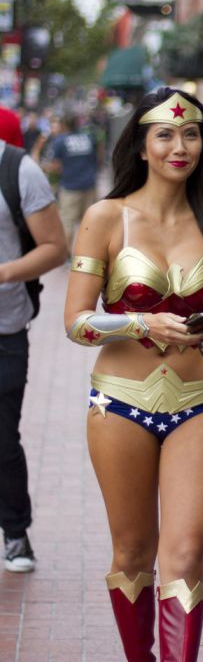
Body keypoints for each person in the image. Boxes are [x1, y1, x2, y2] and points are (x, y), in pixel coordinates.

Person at [63, 87, 203, 661]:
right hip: (120, 403)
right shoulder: (105, 217)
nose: (179, 146)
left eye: (191, 134)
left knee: (186, 556)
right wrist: (141, 322)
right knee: (132, 553)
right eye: (165, 134)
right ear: (142, 146)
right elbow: (75, 323)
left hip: (201, 403)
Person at [0, 132, 67, 573]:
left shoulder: (18, 170)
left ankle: (15, 531)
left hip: (4, 329)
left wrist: (4, 272)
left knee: (2, 438)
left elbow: (56, 248)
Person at [49, 114, 99, 257]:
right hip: (89, 185)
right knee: (90, 221)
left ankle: (66, 255)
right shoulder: (89, 137)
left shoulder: (60, 141)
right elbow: (98, 157)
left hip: (70, 187)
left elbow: (56, 166)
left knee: (67, 223)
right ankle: (90, 253)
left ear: (64, 125)